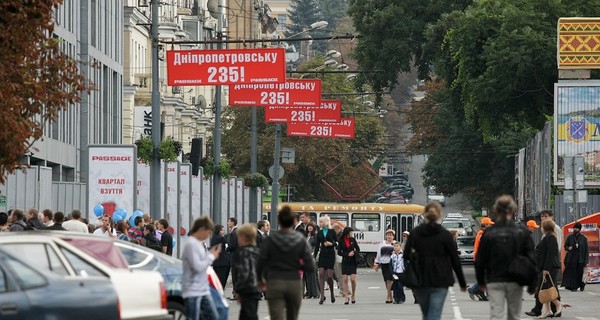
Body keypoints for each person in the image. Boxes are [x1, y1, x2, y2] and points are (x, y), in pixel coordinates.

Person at [475, 195, 536, 320]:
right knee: (514, 315)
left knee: (496, 314)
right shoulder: (522, 233)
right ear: (513, 210)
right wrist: (532, 283)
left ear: (496, 211)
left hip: (495, 279)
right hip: (515, 278)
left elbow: (481, 259)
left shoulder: (488, 233)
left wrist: (481, 281)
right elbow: (531, 258)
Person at [404, 202, 466, 319]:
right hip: (441, 278)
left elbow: (406, 255)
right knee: (434, 313)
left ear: (425, 215)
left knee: (426, 314)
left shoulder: (415, 233)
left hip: (420, 278)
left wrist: (416, 256)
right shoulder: (445, 235)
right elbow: (455, 260)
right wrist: (462, 283)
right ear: (439, 215)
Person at [257, 205, 315, 320]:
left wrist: (260, 280)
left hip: (274, 281)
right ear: (293, 221)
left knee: (276, 315)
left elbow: (260, 262)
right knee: (292, 316)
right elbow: (310, 266)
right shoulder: (300, 240)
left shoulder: (270, 240)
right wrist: (297, 266)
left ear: (279, 222)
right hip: (293, 281)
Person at [182, 216, 222, 320]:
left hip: (202, 289)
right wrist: (212, 256)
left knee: (212, 316)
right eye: (208, 233)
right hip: (193, 290)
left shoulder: (197, 244)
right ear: (201, 229)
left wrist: (210, 255)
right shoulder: (191, 244)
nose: (208, 236)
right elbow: (198, 266)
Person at [231, 224, 261, 320]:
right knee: (249, 314)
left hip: (247, 289)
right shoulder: (257, 251)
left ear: (243, 237)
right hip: (256, 289)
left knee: (248, 315)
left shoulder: (242, 252)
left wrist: (237, 289)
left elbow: (244, 272)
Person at [536, 220, 563, 319]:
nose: (540, 228)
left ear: (546, 227)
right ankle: (548, 310)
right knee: (544, 288)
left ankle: (558, 304)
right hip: (545, 267)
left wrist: (546, 268)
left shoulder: (551, 237)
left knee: (546, 288)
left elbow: (550, 254)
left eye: (542, 226)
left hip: (550, 268)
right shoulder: (547, 237)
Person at [468, 217, 494, 301]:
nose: (491, 225)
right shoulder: (482, 234)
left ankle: (482, 292)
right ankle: (473, 290)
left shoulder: (483, 233)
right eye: (490, 224)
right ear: (485, 224)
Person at [314, 215, 338, 304]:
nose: (320, 223)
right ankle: (322, 296)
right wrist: (313, 257)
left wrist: (331, 244)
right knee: (321, 273)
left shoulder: (332, 232)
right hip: (322, 255)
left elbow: (337, 242)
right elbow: (316, 246)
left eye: (321, 222)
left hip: (331, 255)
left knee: (329, 276)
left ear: (326, 222)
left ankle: (332, 292)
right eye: (319, 222)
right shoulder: (319, 233)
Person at [562, 222, 589, 292]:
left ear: (580, 230)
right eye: (574, 228)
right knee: (572, 273)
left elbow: (586, 250)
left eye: (577, 228)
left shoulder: (584, 238)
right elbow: (565, 246)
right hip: (571, 259)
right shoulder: (570, 237)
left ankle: (581, 285)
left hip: (580, 259)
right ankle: (573, 286)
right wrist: (568, 248)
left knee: (579, 273)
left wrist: (586, 261)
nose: (575, 229)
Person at [337, 226, 360, 304]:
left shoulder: (353, 240)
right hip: (345, 261)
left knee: (353, 279)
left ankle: (353, 295)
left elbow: (358, 249)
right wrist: (347, 254)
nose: (351, 234)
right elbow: (339, 252)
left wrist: (354, 253)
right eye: (350, 232)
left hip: (353, 261)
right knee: (345, 279)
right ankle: (346, 296)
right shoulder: (341, 241)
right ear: (347, 233)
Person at [374, 229, 395, 304]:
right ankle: (390, 295)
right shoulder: (382, 244)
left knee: (390, 280)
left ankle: (388, 296)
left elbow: (400, 252)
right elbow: (378, 254)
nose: (389, 236)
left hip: (392, 264)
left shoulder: (395, 243)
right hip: (383, 263)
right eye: (388, 235)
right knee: (386, 280)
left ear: (393, 236)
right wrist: (376, 263)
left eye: (391, 235)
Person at [211, 224, 231, 289]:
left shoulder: (213, 238)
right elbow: (227, 246)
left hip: (216, 262)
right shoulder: (221, 238)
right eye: (222, 230)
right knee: (222, 279)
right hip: (223, 261)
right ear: (219, 231)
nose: (224, 231)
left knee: (216, 278)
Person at [304, 222, 320, 299]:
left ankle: (315, 293)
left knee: (313, 275)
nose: (309, 228)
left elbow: (317, 246)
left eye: (311, 227)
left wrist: (313, 254)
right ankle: (309, 293)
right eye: (308, 227)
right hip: (305, 256)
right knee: (307, 275)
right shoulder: (307, 236)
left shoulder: (315, 236)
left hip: (312, 256)